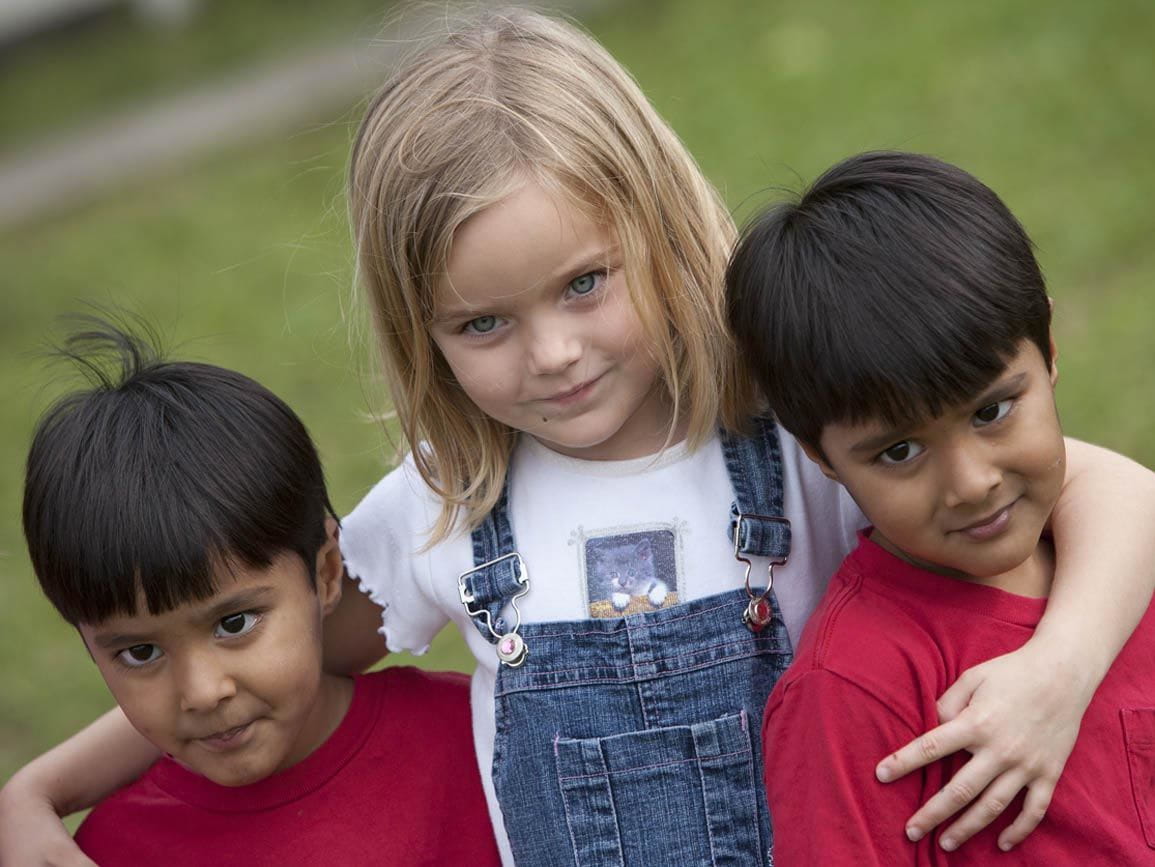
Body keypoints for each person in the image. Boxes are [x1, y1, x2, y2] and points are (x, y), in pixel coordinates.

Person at [4, 11, 1155, 867]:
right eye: (484, 323)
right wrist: (40, 790)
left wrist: (1061, 669)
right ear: (424, 335)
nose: (551, 354)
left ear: (657, 229)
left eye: (585, 283)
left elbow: (1113, 492)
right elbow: (260, 658)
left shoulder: (785, 429)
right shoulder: (445, 507)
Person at [727, 150, 1155, 864]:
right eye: (898, 451)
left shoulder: (1121, 559)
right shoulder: (852, 690)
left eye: (991, 409)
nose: (970, 482)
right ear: (819, 454)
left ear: (1047, 349)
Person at [18, 319, 500, 866]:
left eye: (235, 623)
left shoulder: (482, 739)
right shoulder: (108, 851)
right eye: (140, 652)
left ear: (326, 573)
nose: (202, 692)